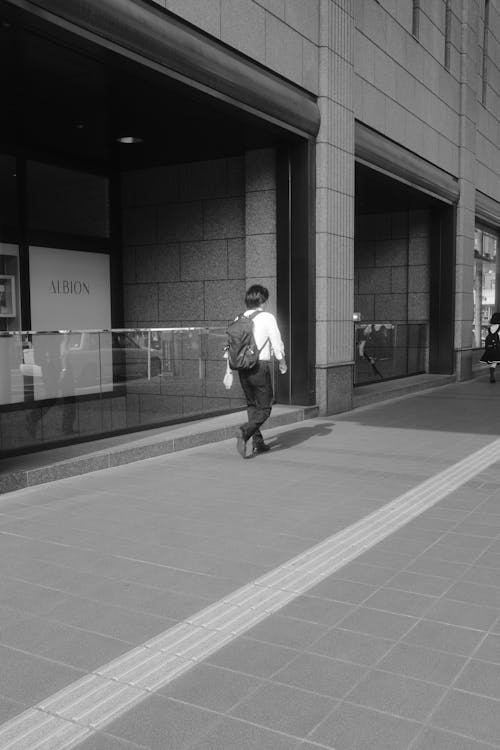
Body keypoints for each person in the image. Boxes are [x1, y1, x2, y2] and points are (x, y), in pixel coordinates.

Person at [235, 284, 287, 458]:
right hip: (259, 366)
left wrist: (228, 370)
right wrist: (282, 361)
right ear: (262, 300)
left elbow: (231, 346)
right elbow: (276, 340)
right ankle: (245, 431)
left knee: (252, 405)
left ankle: (258, 443)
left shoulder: (239, 317)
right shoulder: (267, 317)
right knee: (265, 408)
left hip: (241, 367)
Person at [480, 312, 500, 382]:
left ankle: (492, 376)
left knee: (494, 363)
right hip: (498, 348)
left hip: (491, 349)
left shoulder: (490, 328)